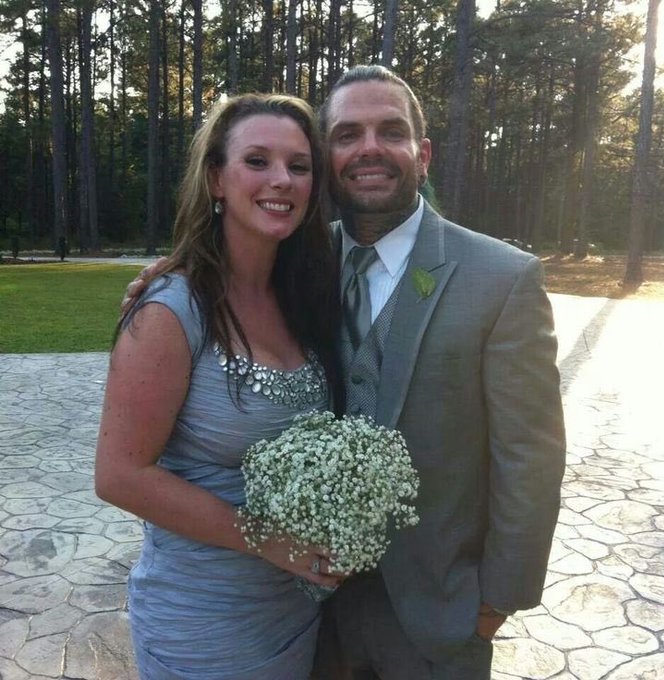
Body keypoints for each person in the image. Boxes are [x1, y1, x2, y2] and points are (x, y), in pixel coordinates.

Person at [123, 66, 566, 679]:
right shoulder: (301, 261)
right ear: (328, 160)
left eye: (391, 131)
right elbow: (224, 259)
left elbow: (530, 457)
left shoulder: (502, 278)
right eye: (347, 134)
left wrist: (497, 602)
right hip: (309, 610)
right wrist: (175, 268)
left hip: (437, 617)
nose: (369, 149)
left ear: (423, 154)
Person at [95, 93, 345, 680]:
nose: (281, 179)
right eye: (257, 161)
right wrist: (269, 540)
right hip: (202, 624)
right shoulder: (172, 309)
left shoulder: (304, 294)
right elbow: (119, 475)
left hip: (294, 613)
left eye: (299, 166)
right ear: (215, 179)